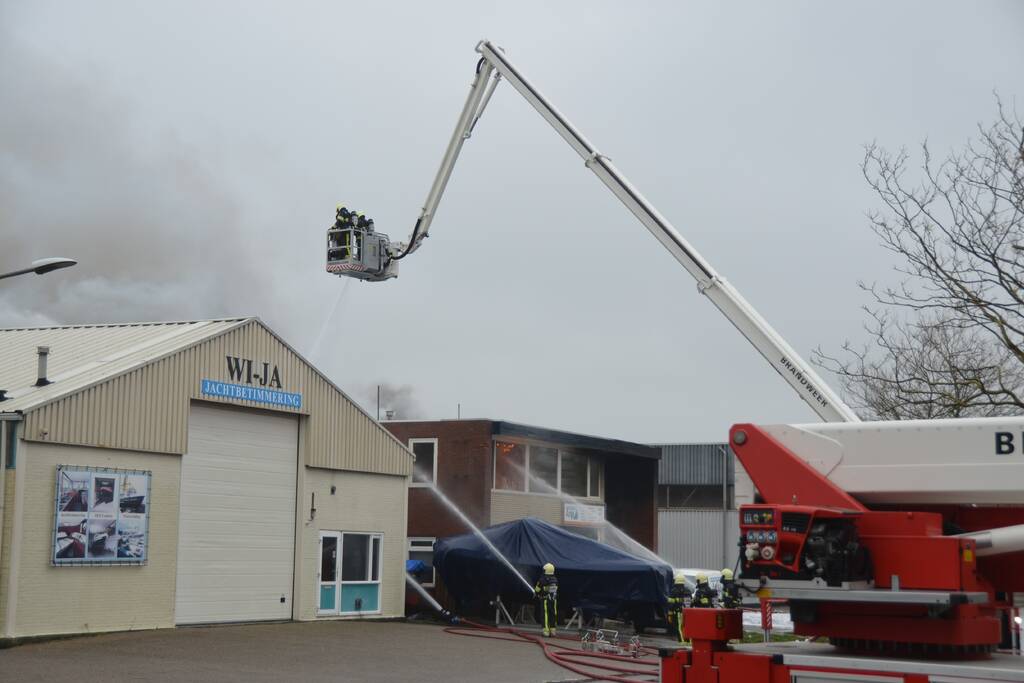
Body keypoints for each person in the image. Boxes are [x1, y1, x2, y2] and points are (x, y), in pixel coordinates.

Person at [535, 562, 559, 637]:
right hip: (553, 600)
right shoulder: (555, 580)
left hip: (545, 600)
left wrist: (536, 592)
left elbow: (537, 589)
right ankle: (553, 631)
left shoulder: (542, 580)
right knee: (553, 614)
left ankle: (546, 631)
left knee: (545, 615)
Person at [666, 572, 691, 642]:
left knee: (679, 627)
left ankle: (682, 642)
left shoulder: (674, 591)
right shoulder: (688, 590)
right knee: (686, 627)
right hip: (687, 612)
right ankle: (687, 641)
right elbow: (689, 603)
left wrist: (670, 615)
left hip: (678, 612)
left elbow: (670, 604)